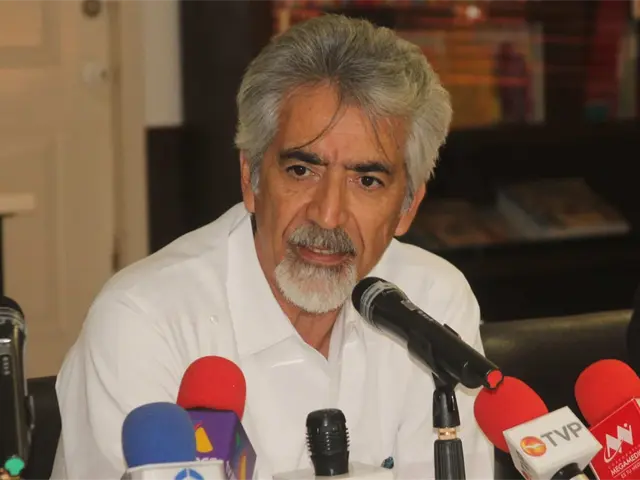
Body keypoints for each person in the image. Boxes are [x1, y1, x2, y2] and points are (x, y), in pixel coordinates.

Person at [51, 14, 493, 480]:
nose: (327, 215)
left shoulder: (432, 304)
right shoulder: (145, 322)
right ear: (251, 178)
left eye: (366, 180)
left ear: (407, 207)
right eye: (302, 171)